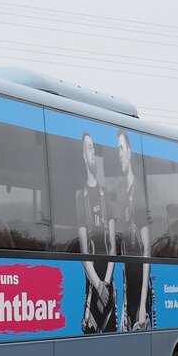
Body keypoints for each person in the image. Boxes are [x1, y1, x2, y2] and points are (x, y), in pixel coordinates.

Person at [76, 132, 117, 333]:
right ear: (84, 156)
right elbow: (84, 253)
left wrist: (106, 284)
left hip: (108, 284)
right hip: (93, 287)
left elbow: (113, 248)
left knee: (111, 335)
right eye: (89, 148)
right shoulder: (81, 198)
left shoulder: (105, 195)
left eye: (94, 148)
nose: (93, 152)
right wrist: (99, 287)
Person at [115, 130, 152, 330]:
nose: (120, 154)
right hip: (129, 293)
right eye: (117, 150)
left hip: (139, 296)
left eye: (122, 148)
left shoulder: (137, 193)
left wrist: (143, 305)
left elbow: (146, 249)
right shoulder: (123, 193)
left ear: (129, 152)